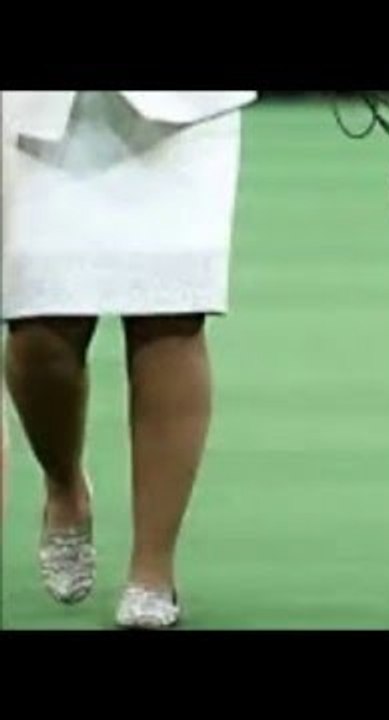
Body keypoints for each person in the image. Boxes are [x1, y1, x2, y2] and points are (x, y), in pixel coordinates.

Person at [2, 91, 257, 628]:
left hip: (186, 115)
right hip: (34, 114)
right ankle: (64, 484)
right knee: (40, 333)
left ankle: (152, 571)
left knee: (170, 316)